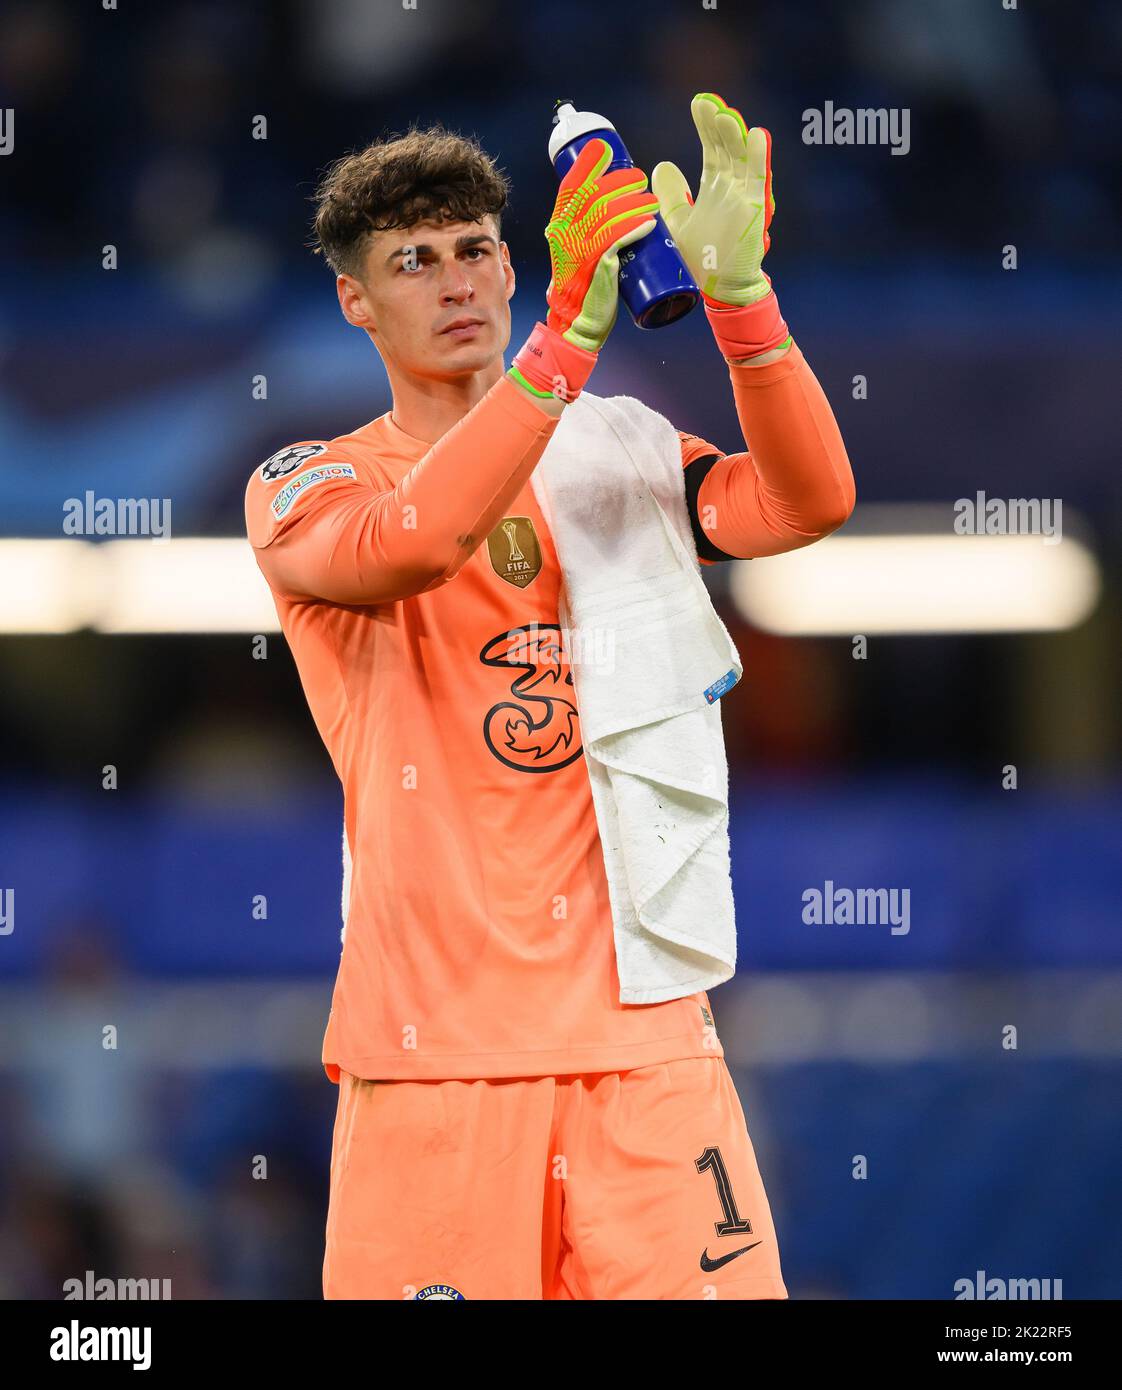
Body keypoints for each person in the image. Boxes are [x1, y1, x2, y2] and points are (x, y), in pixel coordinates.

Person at [245, 93, 854, 1300]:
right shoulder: (307, 484)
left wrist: (743, 309)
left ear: (513, 263)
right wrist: (565, 343)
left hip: (647, 1047)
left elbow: (804, 503)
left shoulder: (619, 454)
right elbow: (413, 544)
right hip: (436, 1061)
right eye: (411, 262)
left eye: (475, 248)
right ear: (354, 302)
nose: (454, 280)